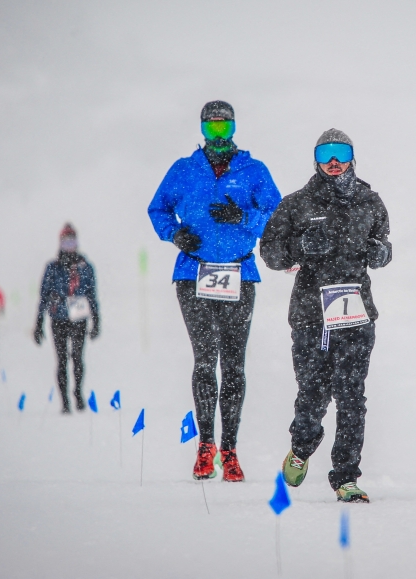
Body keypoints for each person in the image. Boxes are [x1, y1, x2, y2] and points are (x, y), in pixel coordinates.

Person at [148, 100, 281, 482]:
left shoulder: (253, 171)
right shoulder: (184, 170)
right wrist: (175, 234)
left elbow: (277, 219)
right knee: (205, 361)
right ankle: (205, 447)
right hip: (194, 275)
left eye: (225, 128)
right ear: (203, 130)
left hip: (239, 272)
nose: (218, 135)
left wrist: (244, 216)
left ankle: (230, 450)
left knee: (234, 364)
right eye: (212, 128)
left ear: (235, 128)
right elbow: (158, 209)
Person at [260, 128, 391, 503]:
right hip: (310, 315)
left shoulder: (370, 201)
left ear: (353, 157)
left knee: (352, 395)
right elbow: (269, 252)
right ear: (315, 159)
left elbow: (383, 244)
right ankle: (302, 444)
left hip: (355, 313)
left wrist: (380, 254)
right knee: (314, 392)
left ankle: (346, 477)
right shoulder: (296, 204)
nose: (334, 161)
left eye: (341, 153)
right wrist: (298, 248)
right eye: (325, 153)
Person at [33, 224, 101, 414]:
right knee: (62, 360)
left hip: (79, 318)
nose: (69, 245)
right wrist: (38, 324)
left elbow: (92, 296)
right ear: (60, 243)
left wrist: (96, 320)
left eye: (72, 241)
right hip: (59, 317)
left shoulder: (85, 267)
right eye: (66, 241)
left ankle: (77, 393)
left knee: (78, 358)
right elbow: (44, 296)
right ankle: (64, 401)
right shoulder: (53, 268)